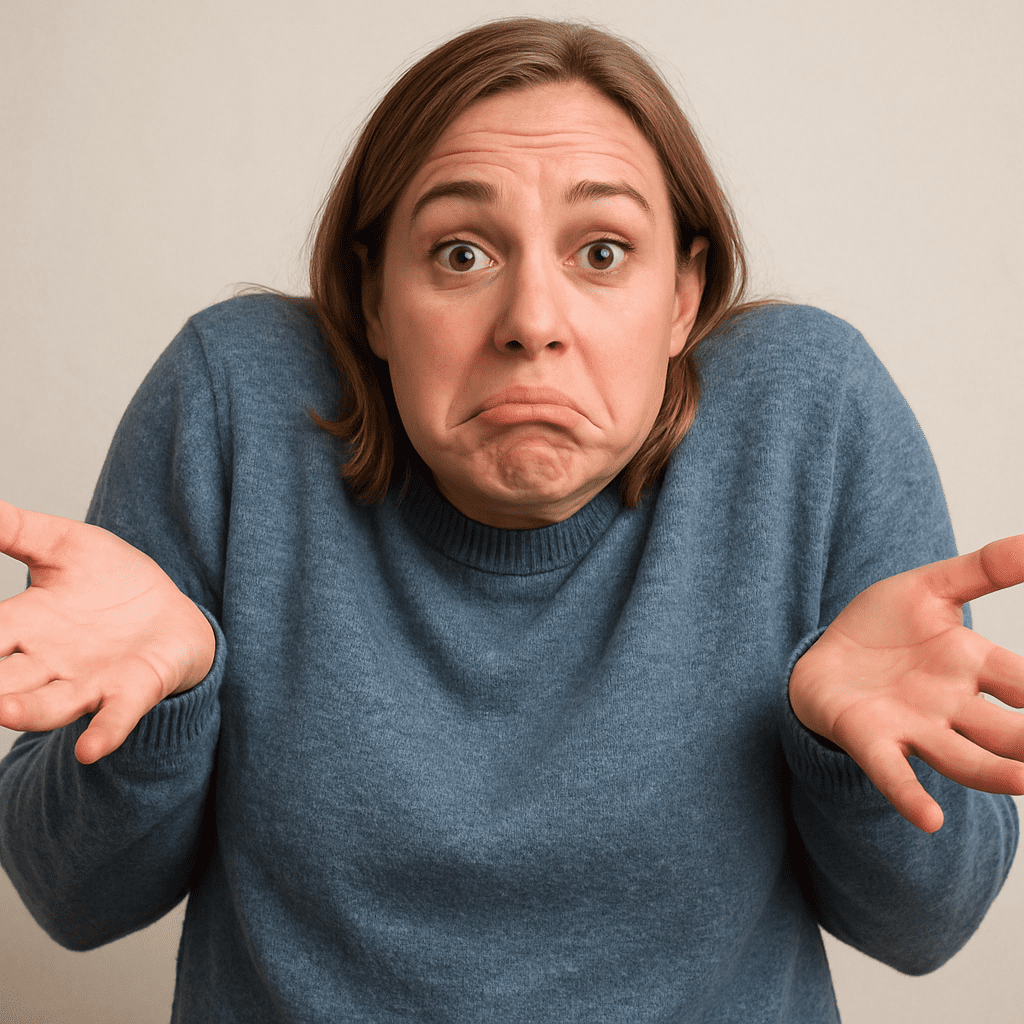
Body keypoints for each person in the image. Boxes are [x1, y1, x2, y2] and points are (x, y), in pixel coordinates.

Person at [0, 17, 1021, 1023]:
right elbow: (75, 900)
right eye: (459, 254)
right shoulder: (233, 402)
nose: (532, 320)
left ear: (683, 295)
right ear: (369, 297)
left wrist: (840, 748)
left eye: (604, 251)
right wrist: (158, 717)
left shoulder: (808, 416)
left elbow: (924, 927)